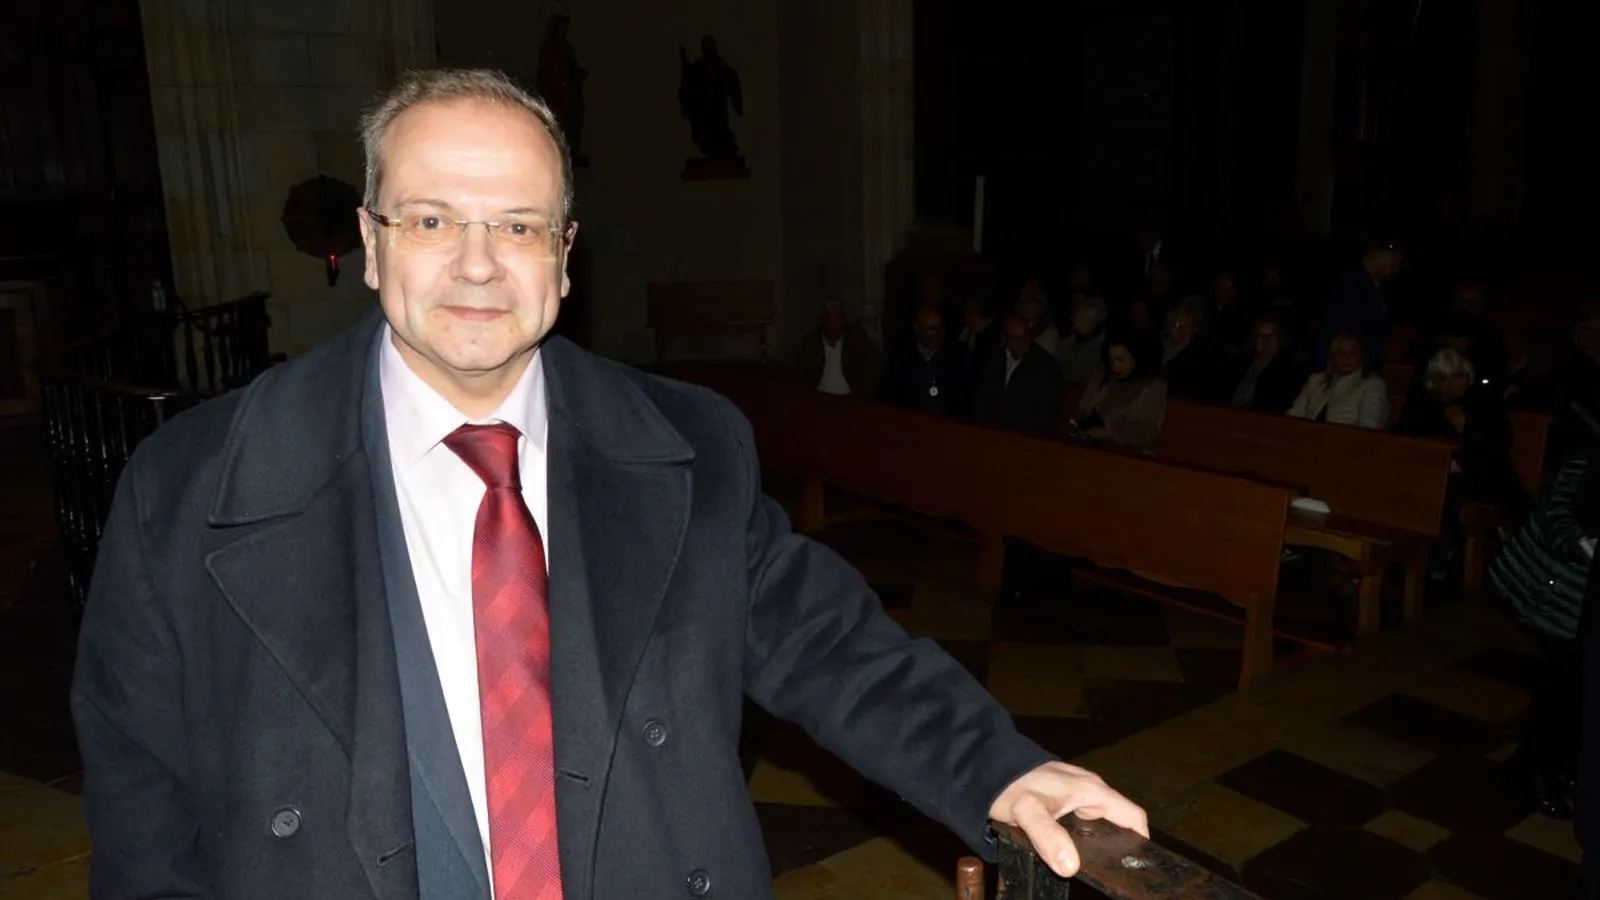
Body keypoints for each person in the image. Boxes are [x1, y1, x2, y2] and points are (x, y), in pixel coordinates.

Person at [70, 69, 1145, 900]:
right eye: (432, 219)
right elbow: (141, 809)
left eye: (518, 225)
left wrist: (996, 768)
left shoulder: (690, 447)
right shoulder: (190, 486)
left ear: (566, 253)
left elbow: (831, 646)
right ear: (369, 241)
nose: (478, 263)